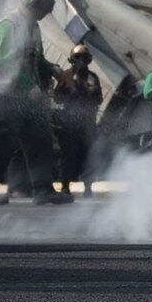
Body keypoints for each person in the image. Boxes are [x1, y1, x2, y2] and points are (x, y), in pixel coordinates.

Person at [0, 0, 67, 204]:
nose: (47, 13)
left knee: (41, 141)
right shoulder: (10, 24)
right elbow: (6, 63)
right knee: (2, 144)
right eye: (46, 8)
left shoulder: (33, 26)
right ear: (35, 4)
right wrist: (30, 87)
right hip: (5, 95)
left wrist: (53, 69)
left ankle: (43, 191)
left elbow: (34, 59)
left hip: (28, 97)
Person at [50, 44, 103, 193]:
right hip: (69, 124)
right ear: (72, 60)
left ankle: (88, 187)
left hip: (87, 123)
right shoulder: (65, 76)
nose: (81, 61)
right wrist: (68, 93)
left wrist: (88, 93)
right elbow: (57, 97)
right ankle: (65, 186)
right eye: (78, 57)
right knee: (68, 155)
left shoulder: (93, 77)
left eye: (84, 58)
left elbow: (99, 99)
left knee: (87, 155)